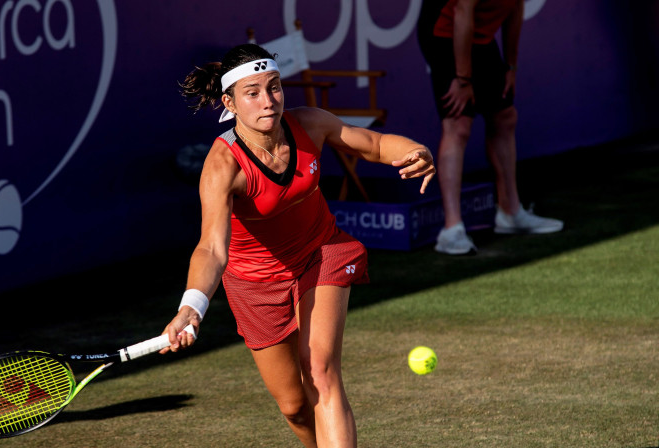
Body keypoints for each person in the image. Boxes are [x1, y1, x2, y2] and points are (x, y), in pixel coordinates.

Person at [160, 44, 435, 447]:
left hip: (320, 253)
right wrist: (192, 305)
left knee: (320, 371)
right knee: (294, 406)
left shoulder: (309, 123)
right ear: (229, 103)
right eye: (252, 93)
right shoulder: (223, 166)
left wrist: (414, 150)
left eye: (274, 87)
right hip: (254, 284)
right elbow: (212, 249)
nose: (268, 101)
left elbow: (374, 145)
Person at [417, 0, 563, 255]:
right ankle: (452, 230)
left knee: (504, 116)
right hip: (444, 32)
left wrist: (511, 67)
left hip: (480, 37)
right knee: (458, 124)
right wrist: (463, 79)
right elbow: (463, 11)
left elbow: (515, 9)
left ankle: (510, 212)